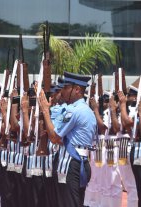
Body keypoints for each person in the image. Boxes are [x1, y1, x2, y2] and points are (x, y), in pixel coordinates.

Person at [39, 71, 97, 207]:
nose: (62, 91)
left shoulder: (74, 111)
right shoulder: (86, 110)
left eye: (66, 88)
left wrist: (46, 111)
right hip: (80, 163)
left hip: (72, 164)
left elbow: (54, 137)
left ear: (77, 90)